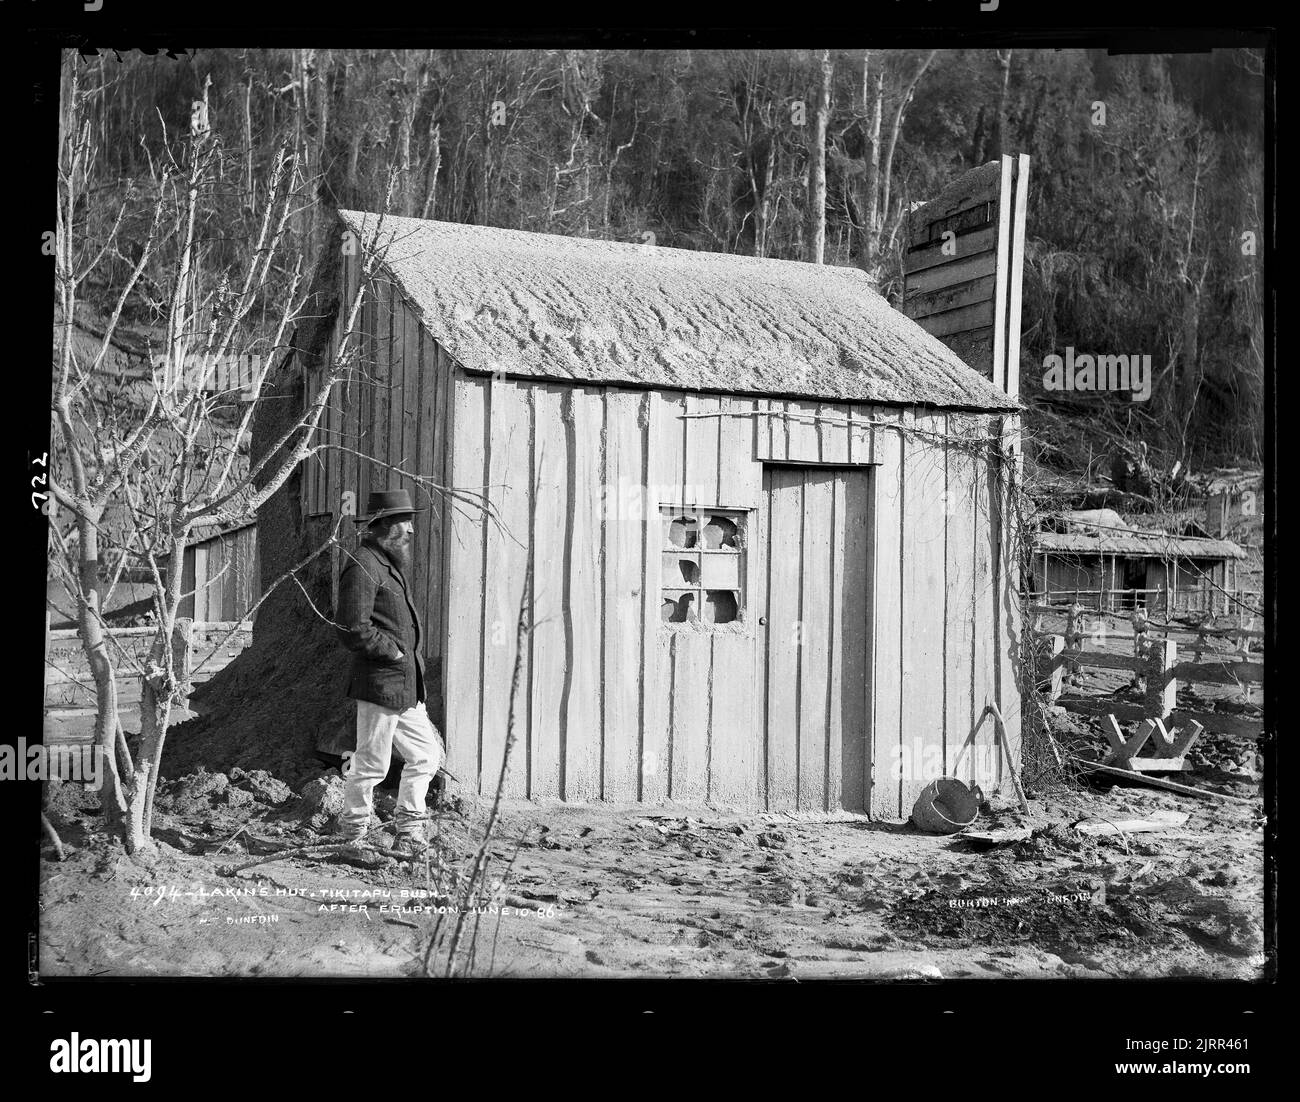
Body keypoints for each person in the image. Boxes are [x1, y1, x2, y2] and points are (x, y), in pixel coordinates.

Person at [333, 488, 444, 856]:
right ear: (383, 525)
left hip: (407, 687)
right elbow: (352, 627)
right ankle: (353, 836)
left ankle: (410, 830)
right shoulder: (363, 564)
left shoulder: (388, 564)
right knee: (370, 764)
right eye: (404, 521)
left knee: (426, 756)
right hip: (381, 684)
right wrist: (394, 652)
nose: (411, 530)